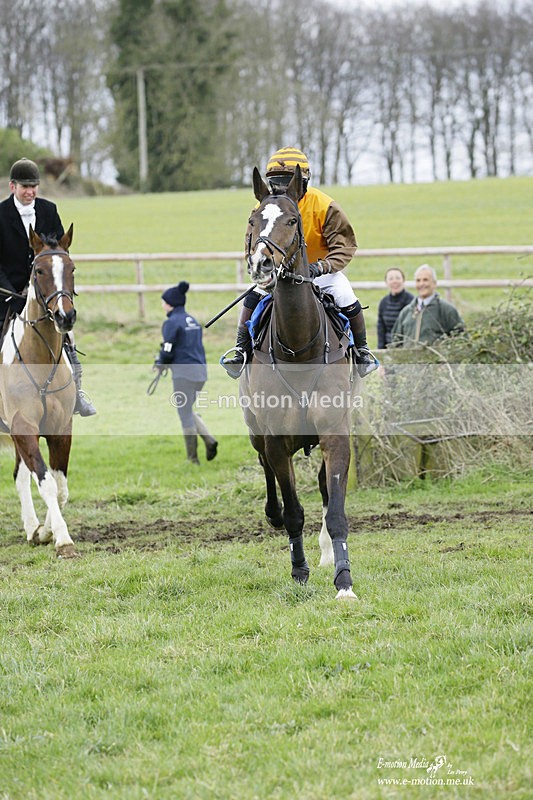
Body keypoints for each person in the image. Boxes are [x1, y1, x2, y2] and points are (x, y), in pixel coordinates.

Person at [221, 146, 379, 378]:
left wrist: (322, 267)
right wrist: (260, 265)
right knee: (252, 299)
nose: (282, 188)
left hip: (321, 270)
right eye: (277, 182)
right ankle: (241, 350)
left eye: (288, 181)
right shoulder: (263, 208)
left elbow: (344, 245)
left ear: (302, 180)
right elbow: (251, 243)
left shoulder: (325, 205)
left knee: (346, 296)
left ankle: (362, 352)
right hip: (277, 272)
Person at [0, 157, 95, 416]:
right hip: (9, 295)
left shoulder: (49, 210)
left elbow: (60, 253)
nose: (30, 192)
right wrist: (11, 295)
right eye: (24, 187)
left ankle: (77, 394)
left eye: (34, 186)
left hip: (46, 294)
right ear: (12, 187)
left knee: (68, 339)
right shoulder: (1, 214)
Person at [154, 281, 218, 464]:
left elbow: (167, 351)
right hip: (200, 372)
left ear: (171, 303)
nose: (162, 304)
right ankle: (209, 440)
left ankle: (193, 458)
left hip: (184, 374)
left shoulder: (171, 323)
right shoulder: (192, 321)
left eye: (164, 301)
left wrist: (160, 363)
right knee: (187, 409)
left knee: (184, 413)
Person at [391, 264, 465, 347]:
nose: (421, 284)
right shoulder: (406, 312)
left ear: (434, 283)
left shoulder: (446, 310)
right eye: (418, 280)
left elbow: (461, 339)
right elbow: (395, 342)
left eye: (425, 280)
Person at [377, 267, 415, 349]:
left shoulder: (411, 301)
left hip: (406, 347)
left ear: (403, 281)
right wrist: (380, 349)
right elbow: (381, 329)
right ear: (386, 282)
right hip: (388, 346)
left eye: (398, 278)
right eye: (391, 278)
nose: (394, 281)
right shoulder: (383, 302)